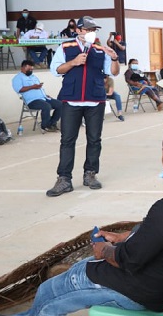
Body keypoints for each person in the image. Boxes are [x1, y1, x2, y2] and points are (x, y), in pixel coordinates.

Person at [0, 122, 163, 316]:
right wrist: (126, 236)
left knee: (51, 288)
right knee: (80, 267)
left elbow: (127, 259)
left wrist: (104, 250)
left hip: (146, 291)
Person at [45, 16, 121, 197]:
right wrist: (73, 62)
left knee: (94, 139)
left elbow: (114, 72)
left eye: (93, 29)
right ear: (78, 30)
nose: (91, 32)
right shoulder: (65, 47)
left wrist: (115, 57)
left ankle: (90, 174)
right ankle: (64, 179)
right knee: (67, 140)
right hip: (72, 101)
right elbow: (55, 70)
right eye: (87, 29)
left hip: (95, 100)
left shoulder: (100, 49)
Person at [12, 60, 62, 132]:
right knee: (46, 106)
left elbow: (39, 88)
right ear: (22, 68)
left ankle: (52, 123)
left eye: (32, 69)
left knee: (60, 105)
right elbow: (19, 89)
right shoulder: (18, 78)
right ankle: (45, 126)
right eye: (29, 69)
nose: (31, 71)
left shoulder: (33, 77)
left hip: (43, 98)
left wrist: (45, 95)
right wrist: (32, 87)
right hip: (32, 101)